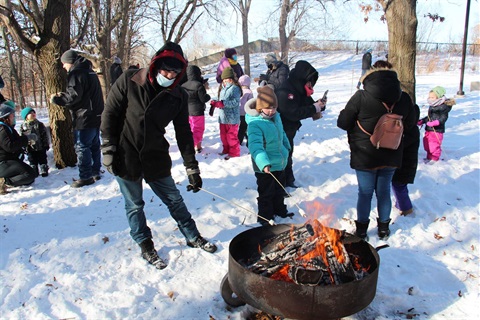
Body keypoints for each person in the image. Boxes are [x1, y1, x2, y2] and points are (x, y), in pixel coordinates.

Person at [100, 41, 217, 270]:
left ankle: (192, 235)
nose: (170, 75)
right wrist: (108, 148)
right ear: (155, 65)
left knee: (174, 198)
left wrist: (192, 167)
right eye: (166, 70)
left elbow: (184, 133)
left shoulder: (178, 96)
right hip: (126, 153)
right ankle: (145, 244)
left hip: (155, 154)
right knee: (134, 204)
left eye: (175, 71)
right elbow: (110, 114)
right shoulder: (129, 80)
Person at [337, 65, 415, 240]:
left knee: (365, 193)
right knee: (384, 191)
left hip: (365, 153)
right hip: (392, 152)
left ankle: (362, 231)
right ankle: (384, 229)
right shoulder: (403, 98)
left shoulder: (361, 97)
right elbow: (410, 124)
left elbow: (343, 122)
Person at [51, 49, 104, 188]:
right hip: (95, 114)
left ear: (70, 61)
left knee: (82, 146)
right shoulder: (90, 71)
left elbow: (73, 96)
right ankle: (95, 171)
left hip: (84, 116)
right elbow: (83, 93)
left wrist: (57, 99)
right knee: (94, 144)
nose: (63, 66)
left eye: (64, 63)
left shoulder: (77, 73)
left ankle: (85, 176)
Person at [245, 85, 292, 225]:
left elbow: (282, 133)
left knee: (279, 189)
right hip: (265, 166)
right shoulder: (255, 124)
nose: (271, 110)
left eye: (274, 107)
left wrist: (286, 147)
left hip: (280, 162)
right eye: (268, 107)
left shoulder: (277, 117)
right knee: (267, 192)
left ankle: (280, 210)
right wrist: (263, 163)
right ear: (260, 107)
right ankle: (265, 216)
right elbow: (255, 146)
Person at [275, 60, 325, 188]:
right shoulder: (286, 90)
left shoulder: (298, 88)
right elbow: (292, 113)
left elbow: (308, 103)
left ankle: (288, 180)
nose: (310, 85)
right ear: (303, 78)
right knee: (283, 155)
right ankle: (281, 183)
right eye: (309, 82)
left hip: (289, 129)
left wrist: (319, 105)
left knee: (288, 153)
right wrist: (314, 108)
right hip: (280, 129)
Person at [0, 103, 37, 194]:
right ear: (5, 117)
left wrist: (25, 138)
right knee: (28, 175)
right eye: (12, 115)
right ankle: (4, 181)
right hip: (3, 162)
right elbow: (10, 146)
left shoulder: (7, 127)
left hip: (8, 161)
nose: (14, 117)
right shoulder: (2, 129)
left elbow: (14, 141)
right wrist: (26, 139)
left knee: (30, 175)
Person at [210, 67, 242, 160]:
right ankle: (226, 149)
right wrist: (214, 100)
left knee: (231, 137)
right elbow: (219, 97)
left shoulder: (235, 88)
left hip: (232, 118)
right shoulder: (223, 88)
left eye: (226, 79)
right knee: (223, 136)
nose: (224, 81)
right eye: (223, 80)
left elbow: (235, 102)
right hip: (223, 118)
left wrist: (223, 103)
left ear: (231, 79)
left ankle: (234, 152)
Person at [418, 86, 455, 163]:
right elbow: (430, 117)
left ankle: (435, 158)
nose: (430, 99)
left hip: (437, 130)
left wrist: (435, 123)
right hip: (429, 129)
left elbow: (443, 118)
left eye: (432, 97)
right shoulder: (432, 106)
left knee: (434, 145)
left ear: (438, 97)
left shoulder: (444, 107)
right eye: (429, 97)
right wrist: (422, 121)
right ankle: (429, 157)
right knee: (427, 144)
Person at [182, 65, 211, 153]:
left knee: (191, 129)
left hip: (188, 112)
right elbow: (203, 99)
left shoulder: (183, 85)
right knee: (198, 130)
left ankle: (197, 147)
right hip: (198, 112)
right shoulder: (198, 85)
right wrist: (208, 96)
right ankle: (190, 147)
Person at [19, 107, 50, 177]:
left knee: (42, 158)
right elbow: (22, 137)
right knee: (32, 159)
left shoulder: (39, 124)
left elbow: (44, 135)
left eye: (33, 112)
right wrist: (24, 146)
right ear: (26, 116)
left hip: (40, 146)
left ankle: (44, 169)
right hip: (30, 148)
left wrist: (46, 144)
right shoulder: (23, 126)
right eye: (30, 113)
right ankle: (34, 170)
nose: (33, 114)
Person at [238, 75, 253, 146]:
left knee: (240, 127)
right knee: (245, 127)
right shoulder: (249, 92)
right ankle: (247, 140)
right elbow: (251, 103)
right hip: (246, 113)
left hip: (238, 112)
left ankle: (239, 141)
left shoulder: (238, 91)